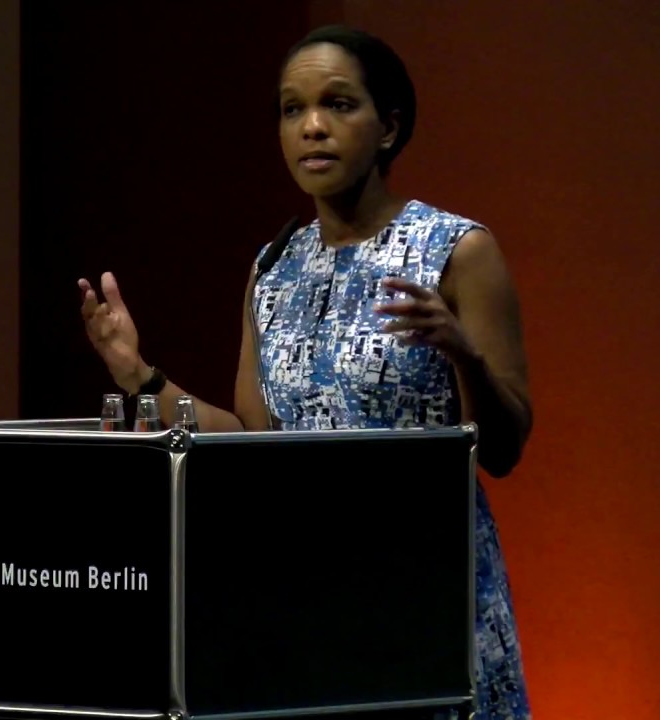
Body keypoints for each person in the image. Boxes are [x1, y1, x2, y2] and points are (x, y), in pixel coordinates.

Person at [77, 24, 533, 720]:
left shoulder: (456, 251)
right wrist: (139, 374)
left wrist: (461, 351)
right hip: (309, 609)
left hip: (430, 606)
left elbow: (504, 449)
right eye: (293, 110)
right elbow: (255, 443)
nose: (312, 128)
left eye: (338, 105)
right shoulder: (273, 268)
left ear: (389, 127)